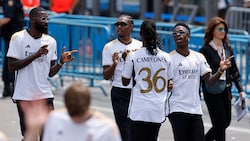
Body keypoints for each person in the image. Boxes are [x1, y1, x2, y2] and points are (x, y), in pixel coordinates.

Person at [6, 7, 77, 138]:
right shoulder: (18, 38)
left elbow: (49, 73)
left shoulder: (51, 41)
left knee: (48, 134)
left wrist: (61, 62)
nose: (46, 21)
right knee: (30, 136)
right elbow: (11, 66)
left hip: (44, 94)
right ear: (32, 20)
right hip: (24, 95)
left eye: (47, 19)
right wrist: (36, 55)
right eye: (43, 18)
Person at [167, 22, 233, 141]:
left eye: (181, 32)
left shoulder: (198, 57)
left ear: (188, 36)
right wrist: (167, 85)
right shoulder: (169, 59)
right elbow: (164, 83)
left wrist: (220, 71)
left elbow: (210, 82)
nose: (177, 35)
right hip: (177, 109)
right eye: (175, 33)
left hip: (195, 109)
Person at [121, 19, 173, 141]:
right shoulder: (166, 57)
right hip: (157, 108)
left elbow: (125, 81)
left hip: (139, 108)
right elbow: (169, 82)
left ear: (141, 34)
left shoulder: (133, 56)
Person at [19, 82, 122, 141]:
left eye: (80, 114)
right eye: (73, 112)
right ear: (66, 105)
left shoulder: (105, 128)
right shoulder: (54, 119)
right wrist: (32, 129)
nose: (77, 120)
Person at [199, 16, 246, 141]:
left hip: (226, 90)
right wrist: (219, 68)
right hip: (212, 91)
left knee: (225, 122)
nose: (223, 31)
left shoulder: (227, 49)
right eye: (220, 29)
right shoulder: (205, 50)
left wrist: (241, 90)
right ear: (212, 30)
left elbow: (234, 71)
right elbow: (204, 74)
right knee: (219, 124)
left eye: (225, 29)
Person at [102, 14, 142, 141]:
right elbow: (106, 76)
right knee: (124, 129)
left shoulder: (140, 46)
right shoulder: (110, 47)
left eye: (123, 24)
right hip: (119, 91)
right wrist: (115, 64)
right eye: (117, 24)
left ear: (131, 26)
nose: (119, 27)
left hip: (137, 91)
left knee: (137, 127)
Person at [0, 0, 25, 98]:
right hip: (9, 35)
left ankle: (12, 88)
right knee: (9, 61)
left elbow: (7, 18)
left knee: (11, 61)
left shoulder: (11, 2)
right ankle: (8, 89)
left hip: (14, 36)